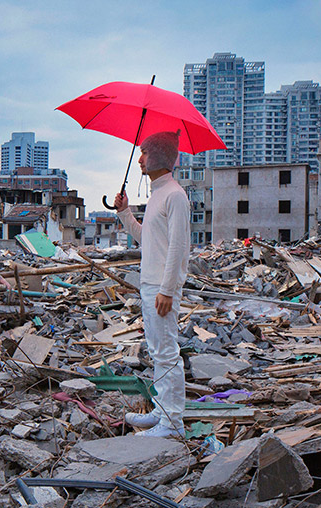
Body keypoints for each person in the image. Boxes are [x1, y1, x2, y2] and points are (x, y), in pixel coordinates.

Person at [114, 130, 190, 439]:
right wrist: (124, 212)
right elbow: (146, 238)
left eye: (144, 153)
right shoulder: (157, 193)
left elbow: (178, 247)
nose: (140, 159)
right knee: (158, 350)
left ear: (159, 156)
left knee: (166, 351)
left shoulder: (175, 195)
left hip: (161, 287)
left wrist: (168, 290)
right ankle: (162, 410)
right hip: (150, 285)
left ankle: (173, 423)